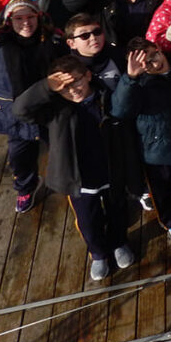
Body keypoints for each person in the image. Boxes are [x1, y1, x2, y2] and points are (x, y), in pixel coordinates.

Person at [14, 56, 133, 280]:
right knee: (88, 220)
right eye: (64, 87)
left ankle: (119, 242)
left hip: (111, 170)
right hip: (79, 179)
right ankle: (98, 254)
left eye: (76, 81)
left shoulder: (106, 96)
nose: (72, 90)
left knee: (118, 210)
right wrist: (46, 86)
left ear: (87, 75)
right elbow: (20, 110)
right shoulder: (54, 110)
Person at [0, 0, 66, 213]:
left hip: (48, 107)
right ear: (9, 20)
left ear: (38, 17)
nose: (25, 23)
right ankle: (27, 187)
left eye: (30, 17)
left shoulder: (52, 39)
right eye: (18, 18)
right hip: (16, 114)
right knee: (20, 157)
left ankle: (72, 179)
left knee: (63, 146)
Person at [112, 38, 171, 242]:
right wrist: (130, 78)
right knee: (160, 192)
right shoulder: (138, 85)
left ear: (159, 49)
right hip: (154, 151)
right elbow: (119, 110)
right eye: (146, 63)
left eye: (154, 55)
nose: (154, 63)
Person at [64, 12, 150, 211]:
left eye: (97, 32)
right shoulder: (69, 70)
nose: (93, 38)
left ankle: (139, 189)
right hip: (95, 125)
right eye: (84, 35)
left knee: (133, 155)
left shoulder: (116, 55)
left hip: (126, 117)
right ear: (71, 43)